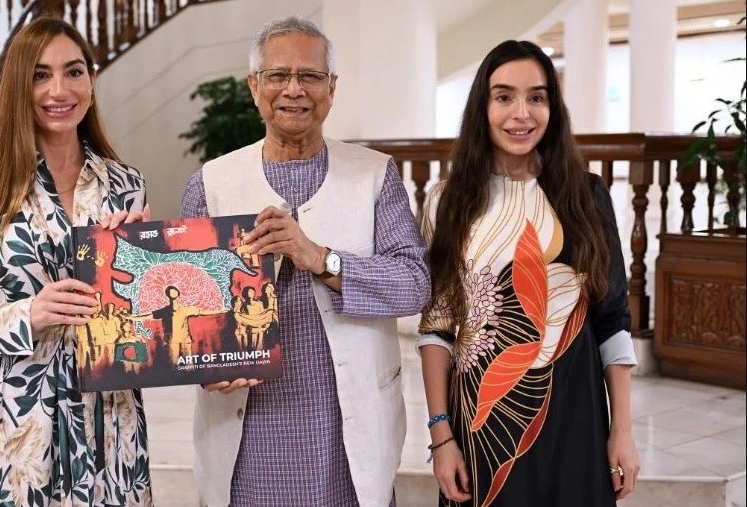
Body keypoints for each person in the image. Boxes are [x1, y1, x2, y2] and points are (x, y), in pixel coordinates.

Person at [181, 16, 430, 507]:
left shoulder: (375, 176)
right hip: (248, 431)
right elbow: (186, 313)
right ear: (254, 86)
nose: (293, 89)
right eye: (277, 75)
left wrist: (320, 258)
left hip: (345, 430)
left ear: (331, 89)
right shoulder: (211, 184)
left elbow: (414, 284)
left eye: (310, 76)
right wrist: (200, 368)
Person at [0, 17, 153, 506]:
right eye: (40, 75)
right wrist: (27, 314)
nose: (59, 91)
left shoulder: (126, 184)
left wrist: (143, 266)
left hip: (113, 428)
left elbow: (145, 322)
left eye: (74, 72)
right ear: (16, 87)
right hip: (23, 431)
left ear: (91, 80)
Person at [417, 40, 640, 507]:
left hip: (577, 416)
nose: (521, 114)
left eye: (536, 97)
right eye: (504, 97)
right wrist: (441, 436)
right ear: (482, 107)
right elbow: (437, 328)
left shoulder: (587, 196)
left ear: (552, 108)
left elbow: (612, 320)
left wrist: (622, 430)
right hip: (482, 425)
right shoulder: (448, 202)